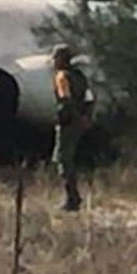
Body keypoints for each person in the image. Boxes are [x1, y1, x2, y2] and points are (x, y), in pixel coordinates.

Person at [50, 44, 94, 212]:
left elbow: (66, 100)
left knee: (63, 159)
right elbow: (89, 98)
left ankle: (72, 199)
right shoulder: (80, 76)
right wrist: (86, 118)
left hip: (68, 122)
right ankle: (73, 197)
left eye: (55, 58)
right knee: (68, 158)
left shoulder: (61, 77)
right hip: (79, 121)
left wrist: (75, 118)